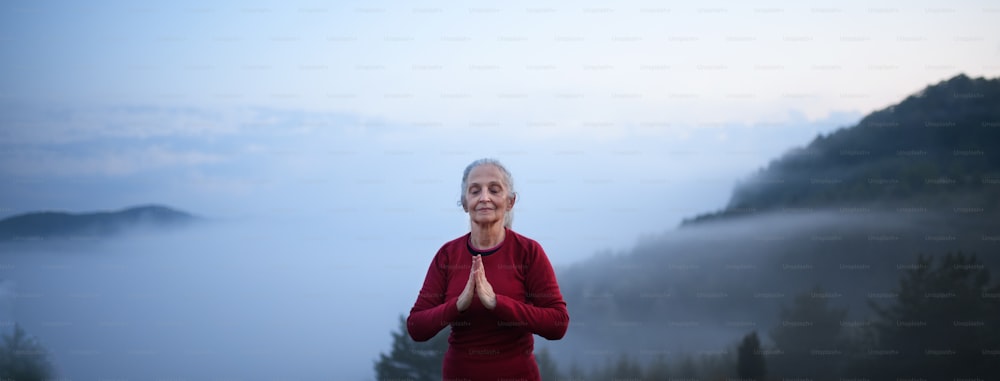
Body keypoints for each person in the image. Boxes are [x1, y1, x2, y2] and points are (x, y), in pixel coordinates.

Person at [407, 158, 569, 381]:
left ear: (510, 201)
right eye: (475, 191)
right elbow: (416, 326)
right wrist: (457, 305)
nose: (484, 198)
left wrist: (497, 303)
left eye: (494, 190)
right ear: (465, 203)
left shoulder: (528, 252)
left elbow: (557, 323)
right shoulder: (447, 255)